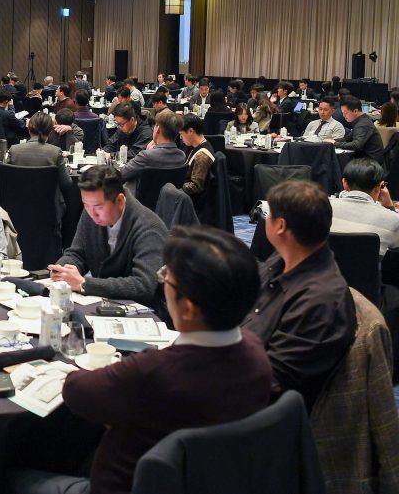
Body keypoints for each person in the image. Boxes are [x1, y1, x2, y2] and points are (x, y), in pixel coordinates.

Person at [50, 227, 273, 494]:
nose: (163, 281)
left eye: (166, 277)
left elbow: (75, 392)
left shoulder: (153, 372)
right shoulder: (257, 355)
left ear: (188, 307)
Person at [243, 180, 356, 410]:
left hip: (259, 416)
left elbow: (273, 382)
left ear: (280, 226)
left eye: (268, 215)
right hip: (235, 366)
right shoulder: (282, 259)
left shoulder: (321, 300)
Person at [49, 166, 168, 304]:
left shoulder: (149, 227)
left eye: (98, 207)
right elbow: (78, 253)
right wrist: (63, 269)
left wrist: (84, 283)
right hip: (103, 303)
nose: (92, 213)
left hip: (143, 312)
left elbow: (143, 286)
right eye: (86, 205)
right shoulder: (91, 212)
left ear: (120, 201)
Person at [330, 158, 399, 256]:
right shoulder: (393, 219)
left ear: (345, 183)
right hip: (370, 271)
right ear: (379, 187)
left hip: (324, 269)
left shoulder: (322, 208)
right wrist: (389, 207)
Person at [120, 110, 185, 194]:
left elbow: (122, 174)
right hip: (168, 202)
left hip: (138, 202)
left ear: (157, 129)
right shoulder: (181, 156)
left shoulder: (146, 156)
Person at [328, 96, 385, 162]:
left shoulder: (363, 124)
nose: (343, 116)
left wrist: (335, 143)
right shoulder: (362, 121)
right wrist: (332, 141)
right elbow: (347, 139)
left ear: (355, 111)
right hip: (365, 159)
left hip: (370, 163)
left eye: (345, 113)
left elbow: (356, 145)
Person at [179, 113, 215, 201]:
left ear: (191, 131)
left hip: (193, 203)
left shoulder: (202, 155)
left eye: (181, 133)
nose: (180, 137)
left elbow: (195, 187)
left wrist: (176, 185)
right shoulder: (196, 147)